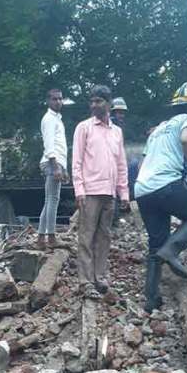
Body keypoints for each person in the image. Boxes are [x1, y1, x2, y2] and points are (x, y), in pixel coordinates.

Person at [134, 82, 187, 313]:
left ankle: (151, 300)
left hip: (142, 189)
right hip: (165, 183)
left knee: (155, 244)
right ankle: (172, 251)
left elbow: (142, 162)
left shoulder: (158, 129)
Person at [72, 85, 129, 299]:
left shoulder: (116, 132)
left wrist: (124, 193)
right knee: (86, 237)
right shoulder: (84, 128)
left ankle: (100, 277)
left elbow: (121, 164)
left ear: (108, 103)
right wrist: (79, 189)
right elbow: (76, 161)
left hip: (109, 193)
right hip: (90, 191)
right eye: (92, 101)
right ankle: (85, 281)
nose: (94, 105)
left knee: (104, 237)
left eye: (99, 101)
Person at [37, 88, 67, 250]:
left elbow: (60, 146)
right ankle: (51, 237)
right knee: (53, 200)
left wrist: (64, 168)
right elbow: (49, 144)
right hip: (51, 162)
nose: (58, 102)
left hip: (56, 162)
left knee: (49, 200)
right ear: (48, 101)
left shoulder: (57, 119)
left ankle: (42, 238)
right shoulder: (49, 119)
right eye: (55, 99)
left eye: (60, 99)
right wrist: (55, 166)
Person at [110, 97, 128, 229]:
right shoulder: (110, 126)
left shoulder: (120, 128)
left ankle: (115, 219)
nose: (121, 115)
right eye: (118, 112)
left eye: (122, 113)